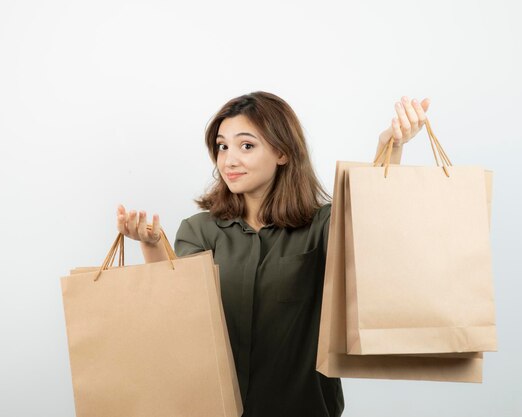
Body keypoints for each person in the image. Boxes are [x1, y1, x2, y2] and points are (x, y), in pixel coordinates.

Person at [116, 91, 430, 417]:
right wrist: (151, 245)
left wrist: (390, 148)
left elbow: (371, 230)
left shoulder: (322, 225)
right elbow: (178, 315)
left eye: (246, 146)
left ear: (281, 152)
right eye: (222, 146)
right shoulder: (199, 230)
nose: (229, 160)